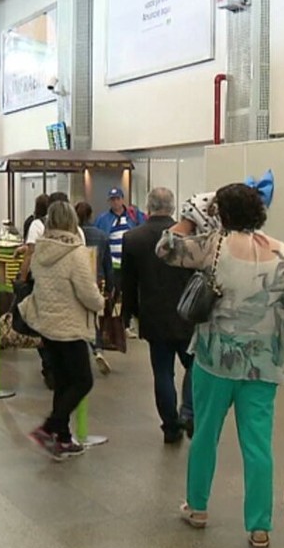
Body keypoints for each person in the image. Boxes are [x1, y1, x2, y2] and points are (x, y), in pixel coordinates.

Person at [157, 183, 284, 548]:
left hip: (214, 362)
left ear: (220, 213)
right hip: (263, 366)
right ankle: (259, 528)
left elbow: (164, 247)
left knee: (206, 436)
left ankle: (197, 507)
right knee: (258, 445)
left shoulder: (212, 246)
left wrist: (187, 216)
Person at [19, 201, 105, 461]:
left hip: (47, 327)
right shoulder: (75, 253)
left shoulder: (40, 252)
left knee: (63, 383)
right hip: (70, 328)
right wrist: (102, 302)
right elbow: (89, 295)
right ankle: (49, 427)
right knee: (83, 381)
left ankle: (63, 439)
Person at [122, 187, 196, 444]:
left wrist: (127, 315)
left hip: (153, 315)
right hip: (187, 315)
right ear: (173, 206)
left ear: (148, 206)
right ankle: (189, 411)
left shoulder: (133, 238)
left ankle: (170, 427)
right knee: (194, 365)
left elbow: (128, 283)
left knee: (163, 372)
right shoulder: (189, 237)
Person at [76, 201, 113, 374]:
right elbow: (108, 265)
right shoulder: (102, 235)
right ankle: (97, 349)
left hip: (75, 280)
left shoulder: (73, 235)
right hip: (95, 280)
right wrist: (111, 287)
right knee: (92, 316)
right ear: (91, 215)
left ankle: (84, 349)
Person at [94, 187, 146, 278]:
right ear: (109, 201)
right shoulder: (102, 219)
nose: (115, 202)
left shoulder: (134, 216)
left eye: (118, 199)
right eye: (113, 199)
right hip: (112, 264)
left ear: (122, 200)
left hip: (130, 262)